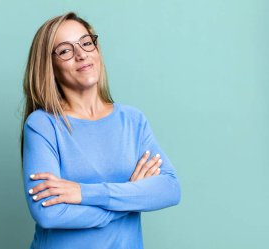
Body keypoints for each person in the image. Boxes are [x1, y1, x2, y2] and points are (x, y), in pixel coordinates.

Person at [21, 12, 181, 249]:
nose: (81, 54)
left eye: (86, 43)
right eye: (65, 50)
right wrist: (129, 199)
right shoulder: (42, 125)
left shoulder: (132, 120)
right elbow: (49, 213)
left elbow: (170, 189)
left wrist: (83, 193)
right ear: (50, 66)